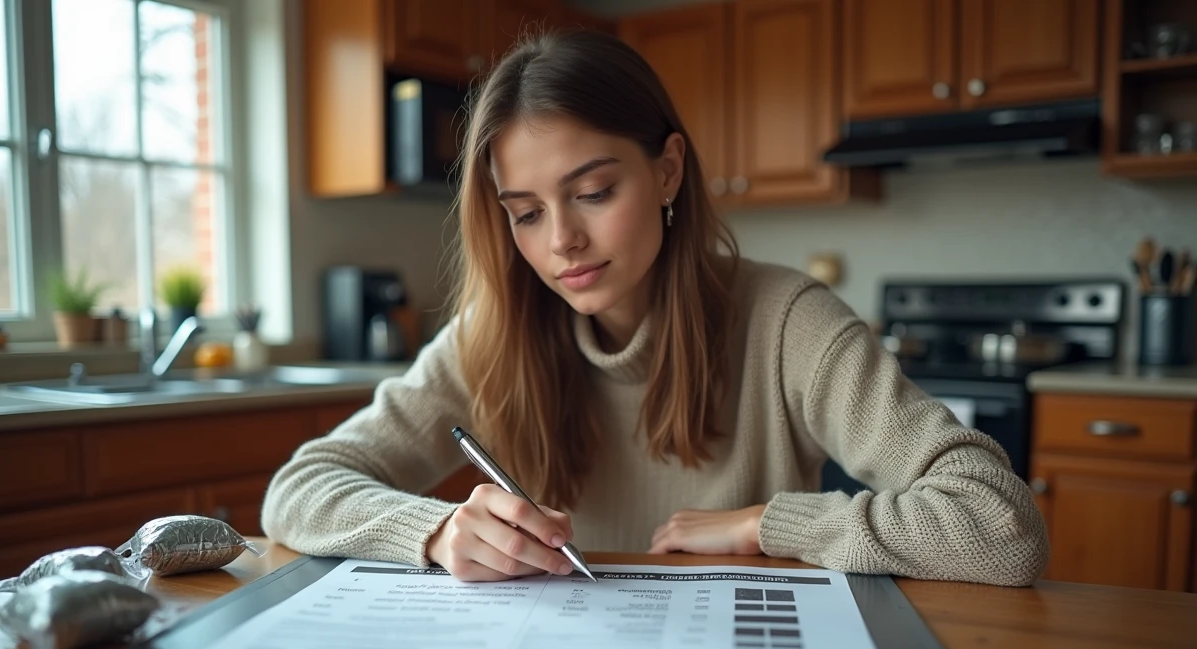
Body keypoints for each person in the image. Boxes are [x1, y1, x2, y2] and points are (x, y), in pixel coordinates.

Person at [262, 30, 1047, 587]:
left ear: (668, 170)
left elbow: (1001, 529)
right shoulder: (488, 338)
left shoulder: (787, 321)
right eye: (526, 212)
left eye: (595, 193)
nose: (563, 240)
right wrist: (430, 532)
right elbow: (296, 490)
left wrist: (768, 524)